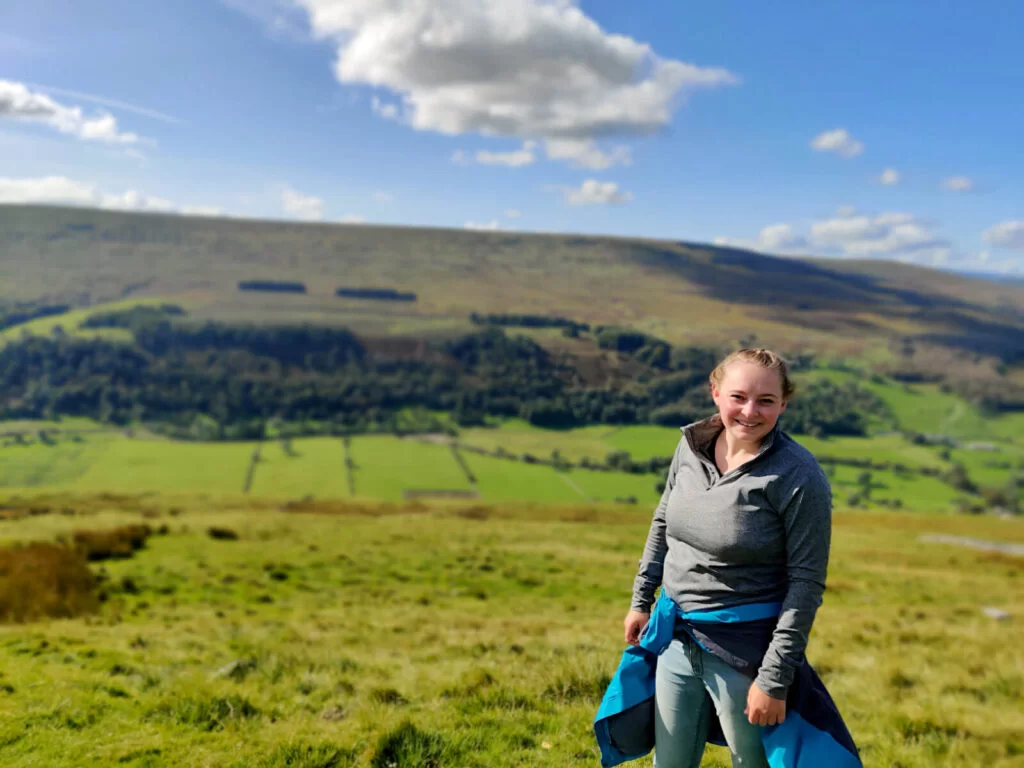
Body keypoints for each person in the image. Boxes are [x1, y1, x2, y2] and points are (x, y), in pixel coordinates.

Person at [623, 348, 833, 768]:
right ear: (715, 392)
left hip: (745, 653)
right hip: (676, 637)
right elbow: (663, 520)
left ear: (784, 404)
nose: (750, 411)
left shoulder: (798, 475)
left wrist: (773, 679)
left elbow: (805, 584)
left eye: (766, 401)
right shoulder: (691, 447)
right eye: (738, 396)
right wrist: (641, 599)